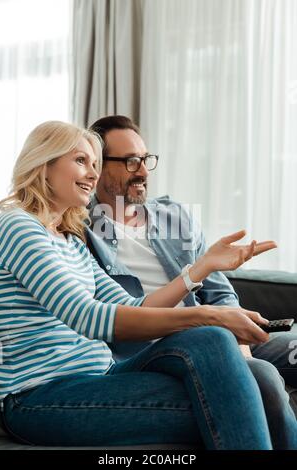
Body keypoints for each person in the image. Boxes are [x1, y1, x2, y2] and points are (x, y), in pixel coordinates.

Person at [0, 120, 284, 450]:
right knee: (239, 391)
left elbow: (134, 306)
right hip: (41, 396)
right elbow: (88, 317)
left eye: (95, 164)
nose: (93, 174)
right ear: (43, 165)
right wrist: (210, 314)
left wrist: (201, 268)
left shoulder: (69, 241)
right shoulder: (18, 226)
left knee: (231, 354)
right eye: (80, 161)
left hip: (101, 375)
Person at [87, 115, 297, 449]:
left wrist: (238, 338)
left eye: (145, 159)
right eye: (129, 162)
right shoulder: (81, 230)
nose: (142, 171)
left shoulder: (175, 217)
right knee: (266, 379)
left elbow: (219, 292)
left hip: (218, 332)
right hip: (158, 347)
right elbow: (111, 316)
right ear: (96, 167)